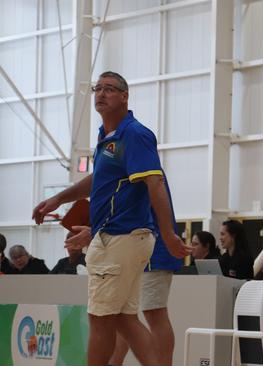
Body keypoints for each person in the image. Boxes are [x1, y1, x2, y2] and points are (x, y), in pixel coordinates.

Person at [32, 71, 191, 366]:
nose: (101, 94)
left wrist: (169, 234)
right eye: (97, 88)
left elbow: (155, 185)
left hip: (123, 238)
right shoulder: (107, 136)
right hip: (117, 237)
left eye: (109, 89)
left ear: (124, 96)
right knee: (123, 319)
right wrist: (59, 198)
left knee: (106, 318)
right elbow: (101, 180)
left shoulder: (135, 134)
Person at [108, 172, 184, 366]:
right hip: (131, 249)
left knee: (154, 312)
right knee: (122, 314)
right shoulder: (124, 166)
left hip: (154, 248)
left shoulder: (142, 161)